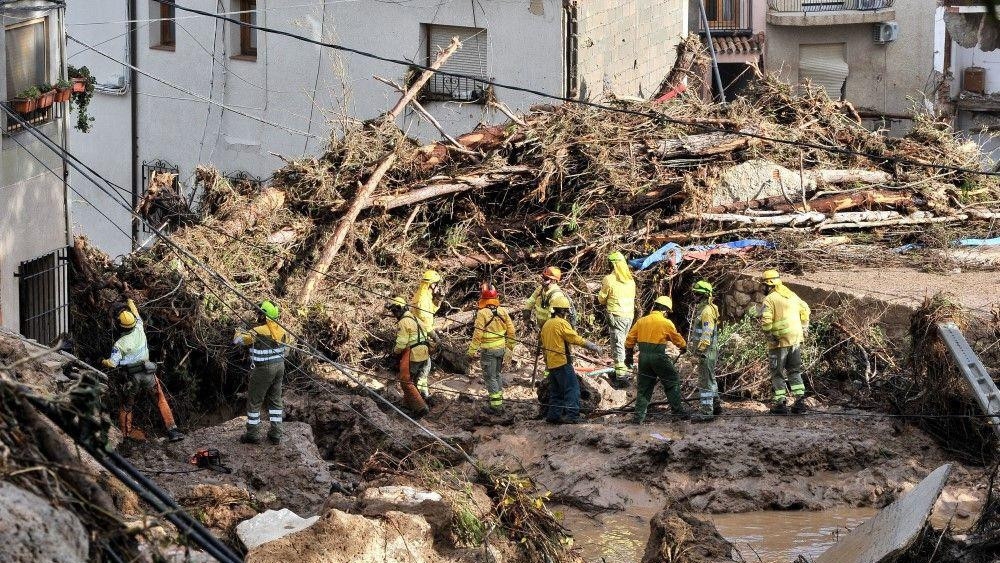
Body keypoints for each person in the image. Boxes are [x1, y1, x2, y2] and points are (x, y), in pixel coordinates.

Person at [102, 298, 184, 442]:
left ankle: (126, 435)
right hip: (148, 373)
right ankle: (173, 430)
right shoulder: (139, 327)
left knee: (127, 406)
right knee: (160, 399)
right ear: (133, 322)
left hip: (132, 378)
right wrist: (130, 301)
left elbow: (112, 364)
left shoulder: (119, 344)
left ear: (120, 326)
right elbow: (135, 312)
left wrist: (103, 361)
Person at [233, 300, 291, 444]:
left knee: (254, 401)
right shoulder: (283, 330)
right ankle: (276, 434)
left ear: (264, 316)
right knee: (275, 400)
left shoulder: (258, 331)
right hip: (280, 368)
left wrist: (241, 328)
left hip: (263, 370)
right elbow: (287, 351)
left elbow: (237, 340)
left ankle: (252, 434)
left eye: (259, 313)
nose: (257, 315)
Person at [625, 296, 689, 423]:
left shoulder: (641, 321)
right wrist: (683, 346)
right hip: (658, 357)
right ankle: (678, 412)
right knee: (672, 380)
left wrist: (629, 356)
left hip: (643, 358)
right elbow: (676, 338)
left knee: (644, 387)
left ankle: (638, 418)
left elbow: (629, 340)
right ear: (665, 311)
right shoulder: (666, 323)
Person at [540, 293, 601, 424]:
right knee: (572, 389)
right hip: (562, 362)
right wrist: (591, 345)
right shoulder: (561, 323)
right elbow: (573, 338)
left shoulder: (546, 324)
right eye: (566, 311)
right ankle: (572, 415)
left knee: (556, 391)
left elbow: (544, 346)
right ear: (563, 311)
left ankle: (553, 416)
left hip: (551, 364)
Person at [759, 269, 811, 415]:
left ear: (769, 285)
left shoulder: (769, 299)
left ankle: (780, 403)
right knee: (794, 371)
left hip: (778, 343)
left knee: (777, 373)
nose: (763, 288)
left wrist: (769, 336)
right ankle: (799, 402)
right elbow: (805, 309)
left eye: (763, 285)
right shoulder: (791, 295)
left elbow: (766, 322)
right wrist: (804, 327)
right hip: (795, 340)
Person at [467, 283, 516, 414]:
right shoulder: (503, 311)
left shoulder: (482, 313)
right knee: (497, 375)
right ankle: (498, 400)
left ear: (483, 299)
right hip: (501, 350)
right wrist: (509, 348)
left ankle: (496, 407)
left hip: (488, 352)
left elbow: (477, 335)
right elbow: (511, 331)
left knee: (490, 378)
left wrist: (471, 352)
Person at [386, 296, 431, 418]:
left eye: (394, 311)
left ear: (399, 309)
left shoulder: (403, 322)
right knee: (414, 380)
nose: (394, 314)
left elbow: (401, 343)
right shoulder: (416, 319)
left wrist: (394, 353)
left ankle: (421, 408)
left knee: (405, 381)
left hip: (413, 353)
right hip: (425, 353)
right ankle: (408, 404)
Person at [598, 251, 636, 388]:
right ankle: (619, 370)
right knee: (623, 342)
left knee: (617, 345)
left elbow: (601, 299)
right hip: (629, 316)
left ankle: (621, 377)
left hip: (616, 316)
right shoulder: (630, 280)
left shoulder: (609, 279)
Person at [688, 280, 722, 422]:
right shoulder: (704, 309)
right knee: (710, 379)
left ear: (702, 295)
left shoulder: (707, 311)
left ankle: (706, 413)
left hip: (706, 352)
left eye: (696, 294)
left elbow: (706, 334)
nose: (694, 296)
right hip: (708, 351)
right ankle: (716, 406)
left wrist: (699, 352)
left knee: (705, 383)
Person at [410, 269, 445, 402]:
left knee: (425, 366)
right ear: (431, 284)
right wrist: (434, 335)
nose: (438, 287)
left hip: (420, 336)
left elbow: (431, 311)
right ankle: (420, 395)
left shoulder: (424, 295)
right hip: (418, 337)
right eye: (437, 284)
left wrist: (438, 300)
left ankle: (421, 393)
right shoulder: (421, 299)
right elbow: (425, 320)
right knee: (424, 366)